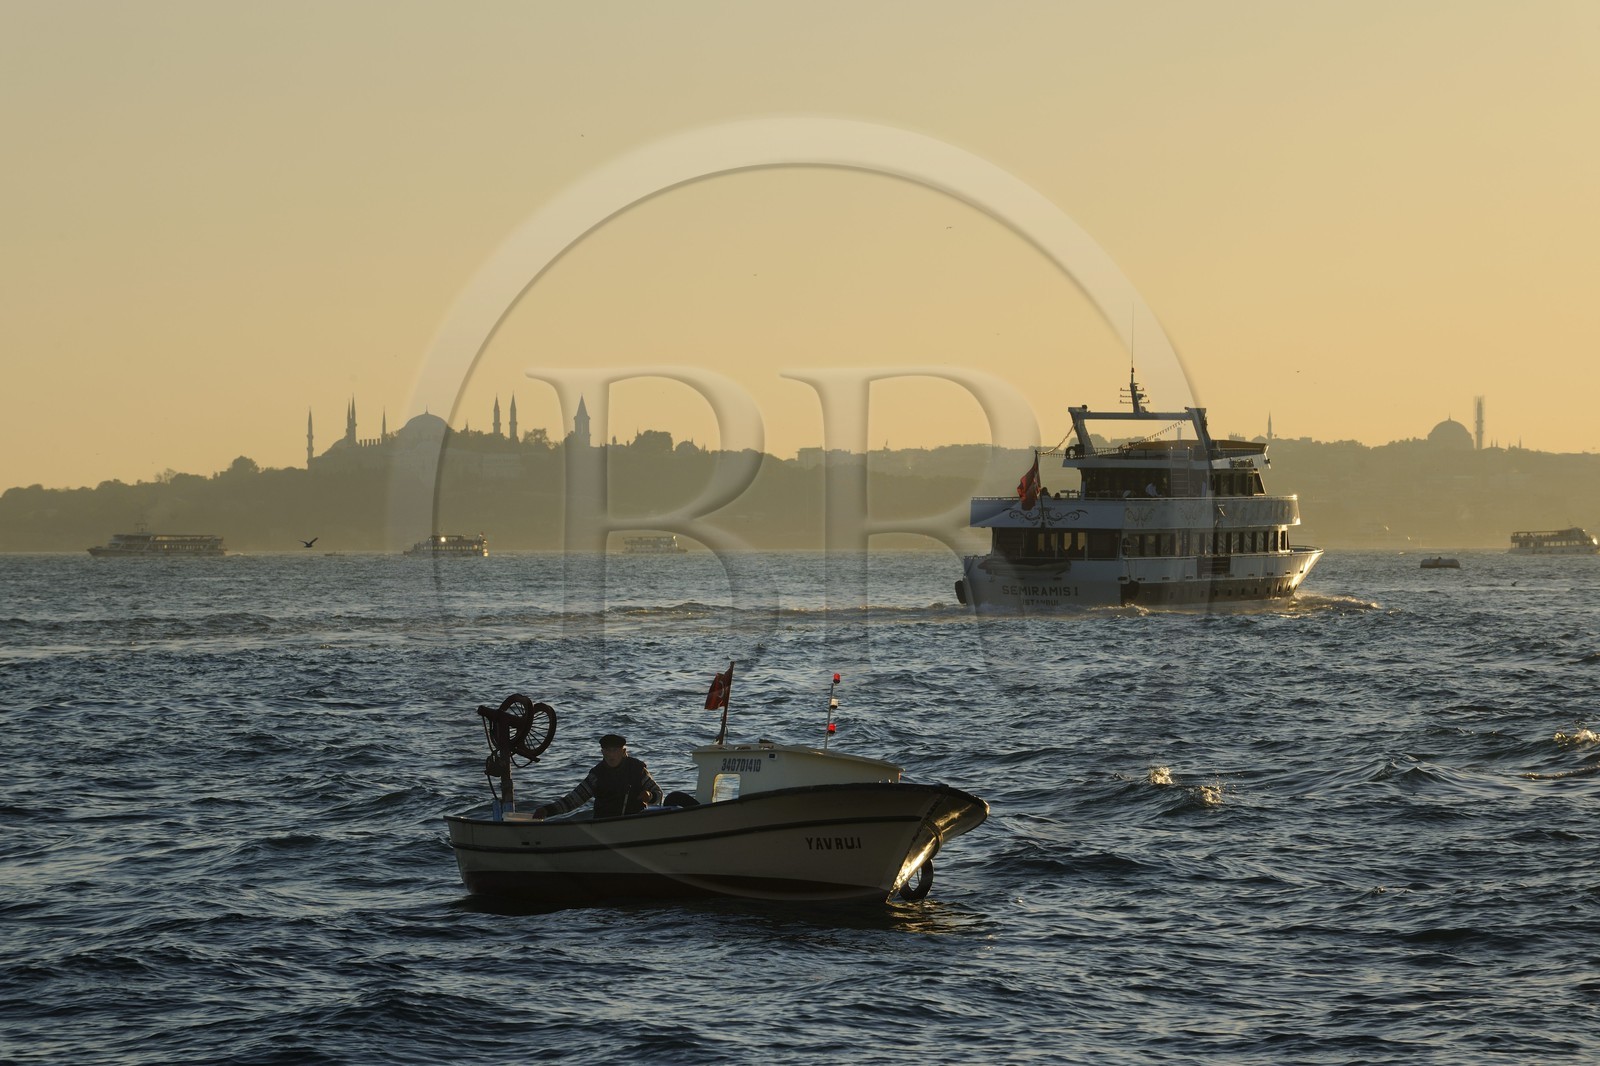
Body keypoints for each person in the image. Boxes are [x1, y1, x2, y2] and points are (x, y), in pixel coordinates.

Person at [533, 733, 662, 820]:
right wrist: (548, 810)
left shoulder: (637, 769)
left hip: (635, 822)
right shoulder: (597, 775)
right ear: (602, 752)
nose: (611, 755)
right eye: (607, 750)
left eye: (615, 750)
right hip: (603, 825)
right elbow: (574, 799)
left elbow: (659, 794)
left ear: (623, 752)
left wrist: (649, 796)